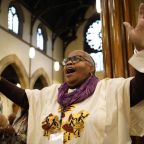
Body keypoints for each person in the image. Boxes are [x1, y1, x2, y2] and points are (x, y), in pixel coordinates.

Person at [1, 3, 144, 144]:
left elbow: (138, 89)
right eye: (67, 60)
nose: (69, 62)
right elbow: (24, 97)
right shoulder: (52, 94)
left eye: (76, 59)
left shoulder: (107, 89)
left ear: (91, 68)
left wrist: (142, 50)